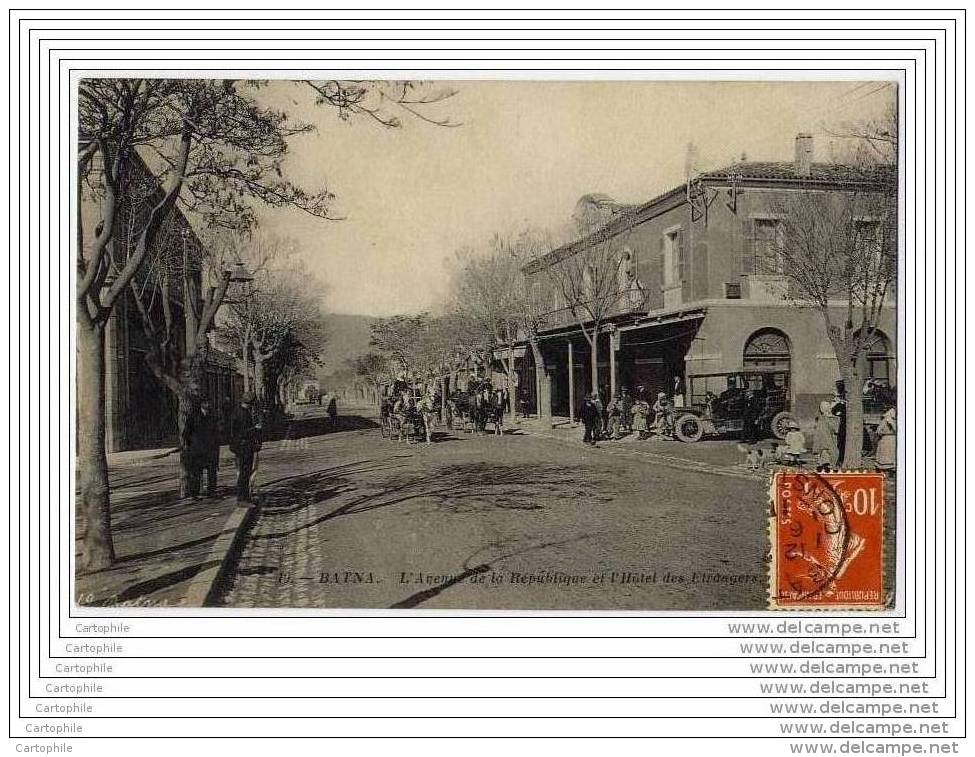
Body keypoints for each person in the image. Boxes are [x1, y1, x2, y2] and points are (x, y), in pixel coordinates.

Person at [228, 392, 262, 505]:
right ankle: (242, 499)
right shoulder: (241, 414)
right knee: (244, 473)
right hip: (243, 447)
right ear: (251, 403)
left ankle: (245, 497)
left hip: (244, 446)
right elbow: (240, 432)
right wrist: (255, 428)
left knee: (246, 473)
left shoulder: (240, 411)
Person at [186, 398, 221, 497]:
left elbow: (216, 433)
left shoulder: (212, 417)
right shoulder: (193, 417)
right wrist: (192, 444)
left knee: (212, 472)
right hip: (198, 449)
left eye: (209, 403)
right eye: (206, 404)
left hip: (210, 449)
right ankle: (195, 493)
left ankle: (212, 491)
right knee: (196, 472)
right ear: (201, 405)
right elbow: (186, 433)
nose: (208, 405)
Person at [811, 399, 840, 471]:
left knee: (825, 452)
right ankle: (828, 465)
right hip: (827, 440)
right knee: (831, 452)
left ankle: (824, 464)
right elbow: (835, 430)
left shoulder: (821, 419)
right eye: (829, 408)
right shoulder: (830, 419)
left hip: (822, 441)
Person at [874, 406, 896, 471]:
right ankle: (891, 468)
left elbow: (878, 430)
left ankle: (885, 467)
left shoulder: (885, 420)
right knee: (891, 453)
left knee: (885, 453)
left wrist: (880, 433)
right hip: (893, 438)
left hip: (885, 438)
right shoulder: (895, 420)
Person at [831, 382, 848, 465]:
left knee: (842, 442)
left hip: (844, 425)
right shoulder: (839, 403)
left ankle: (841, 459)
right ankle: (840, 459)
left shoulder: (844, 403)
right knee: (840, 443)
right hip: (840, 425)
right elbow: (833, 411)